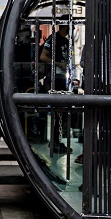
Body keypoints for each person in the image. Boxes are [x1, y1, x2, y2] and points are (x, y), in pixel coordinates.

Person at [39, 24, 71, 154]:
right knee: (57, 110)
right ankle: (54, 141)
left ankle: (57, 140)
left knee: (62, 111)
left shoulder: (67, 41)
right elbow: (43, 56)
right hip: (54, 77)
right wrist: (58, 64)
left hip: (63, 77)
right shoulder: (54, 39)